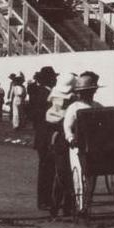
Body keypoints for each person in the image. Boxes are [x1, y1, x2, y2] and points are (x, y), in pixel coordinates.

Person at [45, 72, 77, 217]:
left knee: (62, 173)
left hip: (57, 138)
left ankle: (57, 205)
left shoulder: (53, 96)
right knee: (67, 174)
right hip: (66, 138)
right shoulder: (73, 100)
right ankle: (65, 205)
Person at [32, 65, 59, 211]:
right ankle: (44, 200)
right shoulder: (44, 94)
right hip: (45, 137)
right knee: (46, 170)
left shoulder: (41, 92)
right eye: (54, 77)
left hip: (43, 136)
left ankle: (45, 199)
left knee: (47, 169)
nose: (55, 80)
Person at [63, 71, 103, 147]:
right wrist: (71, 139)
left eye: (91, 91)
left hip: (96, 143)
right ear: (80, 92)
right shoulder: (74, 107)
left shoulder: (97, 106)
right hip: (79, 144)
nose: (89, 94)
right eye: (86, 91)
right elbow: (67, 126)